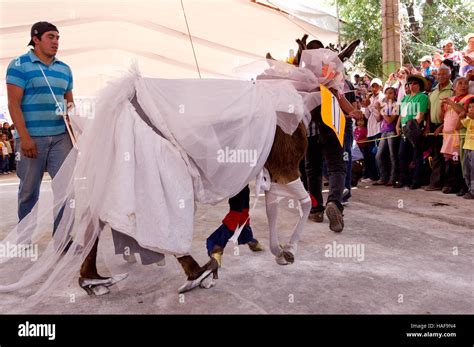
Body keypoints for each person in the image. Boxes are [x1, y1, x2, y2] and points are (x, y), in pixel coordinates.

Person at [6, 21, 74, 235]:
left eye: (57, 38)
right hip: (31, 138)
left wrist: (73, 132)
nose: (56, 42)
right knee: (28, 191)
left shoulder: (65, 69)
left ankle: (63, 238)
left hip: (60, 138)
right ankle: (25, 237)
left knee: (66, 189)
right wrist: (24, 138)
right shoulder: (19, 65)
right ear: (36, 39)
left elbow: (69, 104)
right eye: (51, 37)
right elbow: (13, 104)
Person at [395, 75, 428, 189]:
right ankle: (404, 179)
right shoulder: (405, 98)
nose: (412, 85)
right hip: (404, 130)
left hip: (415, 130)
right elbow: (401, 114)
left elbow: (421, 114)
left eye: (415, 83)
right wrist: (397, 125)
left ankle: (417, 180)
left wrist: (414, 127)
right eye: (410, 83)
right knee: (402, 155)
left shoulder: (422, 97)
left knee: (417, 155)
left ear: (419, 86)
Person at [425, 65, 453, 191]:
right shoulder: (434, 91)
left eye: (444, 74)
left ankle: (447, 184)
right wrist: (428, 126)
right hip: (433, 127)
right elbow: (429, 110)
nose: (441, 76)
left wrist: (441, 127)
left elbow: (452, 113)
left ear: (450, 75)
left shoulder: (453, 90)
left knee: (447, 157)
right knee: (436, 155)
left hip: (447, 127)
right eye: (439, 74)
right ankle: (436, 183)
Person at [374, 87, 399, 186]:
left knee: (393, 156)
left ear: (394, 94)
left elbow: (390, 120)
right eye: (387, 93)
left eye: (391, 93)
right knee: (379, 155)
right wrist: (377, 109)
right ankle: (383, 177)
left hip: (392, 132)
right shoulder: (384, 105)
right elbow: (379, 119)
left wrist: (381, 110)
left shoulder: (396, 106)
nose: (388, 95)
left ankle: (393, 179)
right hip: (383, 131)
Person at [460, 98, 474, 199]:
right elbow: (457, 126)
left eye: (473, 107)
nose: (471, 109)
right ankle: (470, 189)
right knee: (466, 170)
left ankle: (473, 191)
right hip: (467, 147)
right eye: (470, 107)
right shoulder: (468, 119)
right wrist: (461, 116)